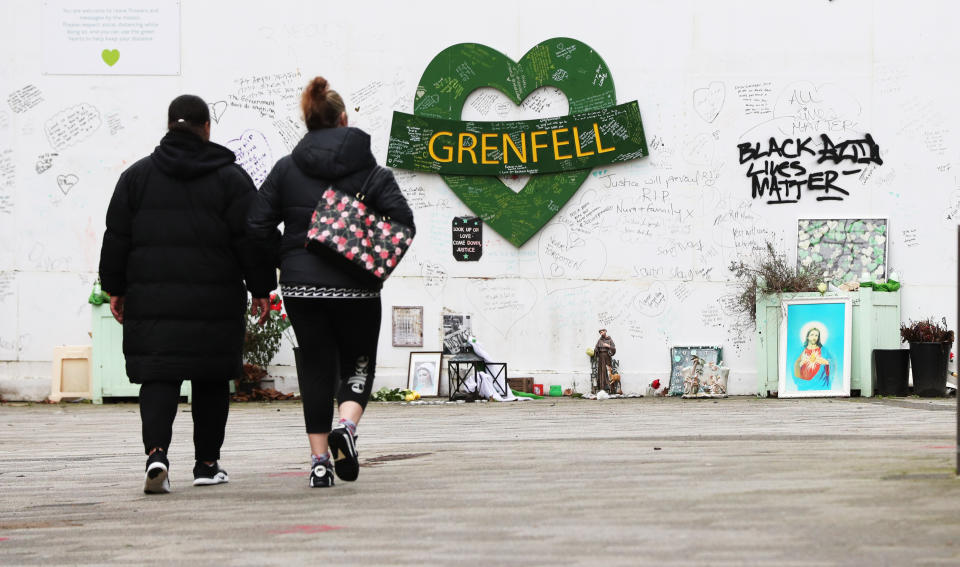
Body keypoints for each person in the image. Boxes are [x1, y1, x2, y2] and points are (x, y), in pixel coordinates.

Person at [98, 94, 276, 494]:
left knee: (158, 377)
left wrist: (115, 287)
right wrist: (261, 287)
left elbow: (117, 237)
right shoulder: (231, 178)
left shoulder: (137, 177)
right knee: (211, 379)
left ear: (168, 126)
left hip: (152, 300)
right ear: (207, 127)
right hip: (214, 300)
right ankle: (207, 464)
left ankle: (157, 454)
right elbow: (252, 237)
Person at [247, 76, 415, 488]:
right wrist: (365, 250)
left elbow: (256, 224)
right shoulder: (372, 173)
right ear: (343, 119)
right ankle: (347, 427)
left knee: (317, 367)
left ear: (308, 121)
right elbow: (403, 224)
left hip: (302, 288)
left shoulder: (286, 168)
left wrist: (284, 258)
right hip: (357, 287)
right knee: (358, 361)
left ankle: (319, 463)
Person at [594, 328, 616, 393]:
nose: (601, 333)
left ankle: (610, 388)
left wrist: (608, 346)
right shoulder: (599, 340)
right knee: (601, 371)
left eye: (602, 331)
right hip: (601, 357)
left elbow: (614, 348)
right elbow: (596, 348)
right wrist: (596, 350)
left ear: (605, 331)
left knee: (608, 371)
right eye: (600, 332)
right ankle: (602, 387)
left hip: (607, 357)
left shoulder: (610, 339)